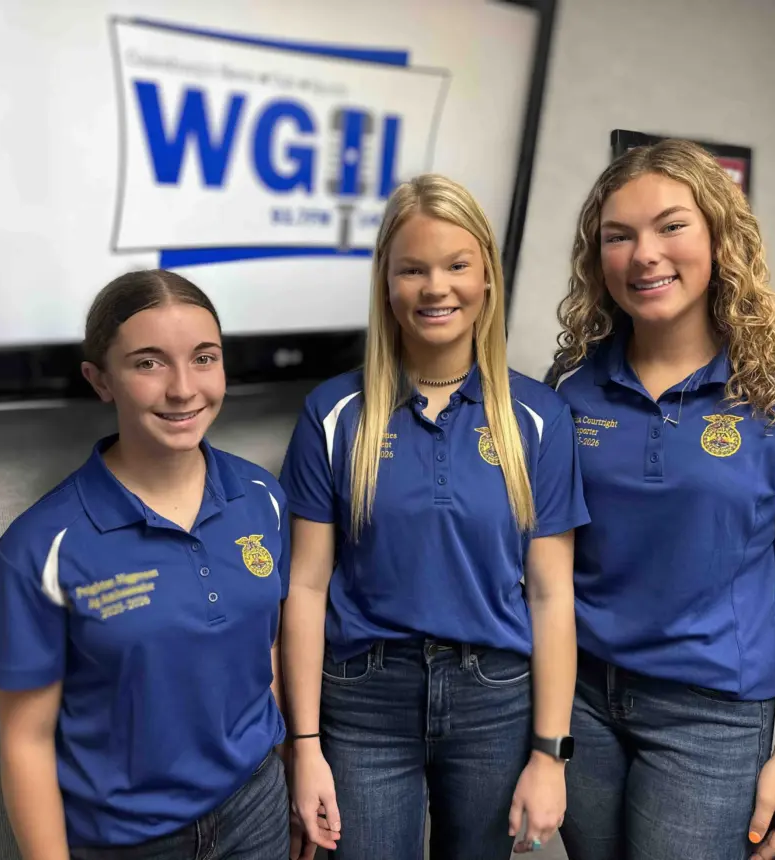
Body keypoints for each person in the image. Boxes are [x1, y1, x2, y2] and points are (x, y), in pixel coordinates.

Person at [549, 139, 775, 860]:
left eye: (671, 226)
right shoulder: (569, 385)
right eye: (618, 236)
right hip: (580, 702)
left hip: (713, 716)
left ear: (720, 236)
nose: (644, 255)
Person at [279, 174, 588, 860]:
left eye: (456, 266)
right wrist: (302, 747)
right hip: (362, 701)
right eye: (412, 269)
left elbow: (551, 591)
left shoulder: (539, 418)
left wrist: (550, 754)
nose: (435, 287)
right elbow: (304, 587)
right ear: (387, 285)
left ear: (486, 280)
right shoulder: (332, 414)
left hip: (495, 701)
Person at [0, 270, 293, 860]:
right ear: (100, 380)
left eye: (204, 358)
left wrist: (286, 763)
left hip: (256, 809)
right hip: (126, 841)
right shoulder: (39, 548)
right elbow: (25, 743)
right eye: (148, 363)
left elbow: (264, 650)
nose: (183, 389)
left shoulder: (262, 496)